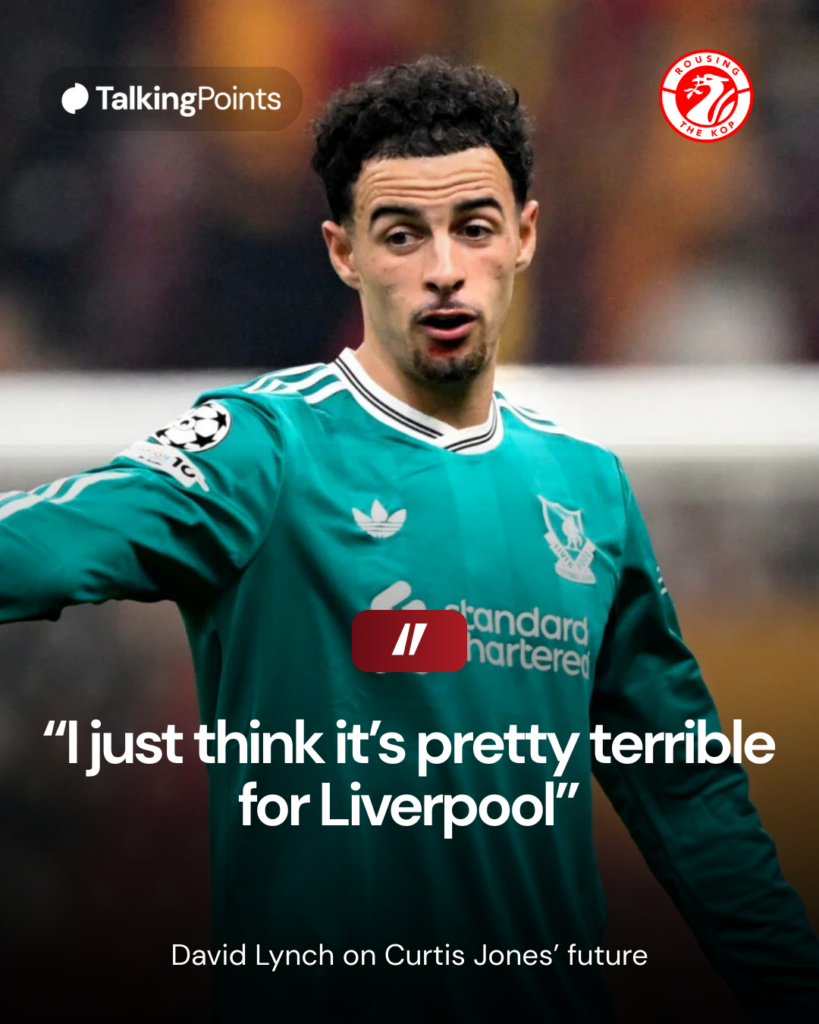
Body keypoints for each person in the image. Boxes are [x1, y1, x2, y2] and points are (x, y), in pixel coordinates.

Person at [1, 57, 817, 1022]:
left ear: (523, 236)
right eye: (400, 234)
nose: (442, 270)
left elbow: (687, 792)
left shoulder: (586, 487)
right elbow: (44, 545)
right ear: (343, 252)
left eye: (473, 227)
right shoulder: (265, 449)